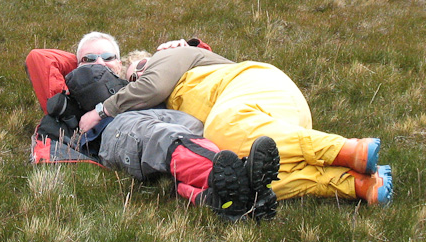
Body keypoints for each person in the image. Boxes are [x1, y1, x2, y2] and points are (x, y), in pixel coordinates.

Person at [78, 41, 393, 206]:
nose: (137, 83)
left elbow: (153, 87)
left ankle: (346, 148)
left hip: (257, 88)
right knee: (251, 181)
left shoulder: (167, 58)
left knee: (223, 129)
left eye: (139, 71)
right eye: (131, 80)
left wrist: (103, 110)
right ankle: (355, 183)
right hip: (277, 121)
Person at [25, 32, 281, 222]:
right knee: (161, 138)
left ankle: (229, 201)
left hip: (168, 116)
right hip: (120, 129)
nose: (99, 62)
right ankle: (234, 178)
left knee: (189, 130)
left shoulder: (137, 82)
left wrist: (185, 48)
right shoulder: (70, 93)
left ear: (122, 63)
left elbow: (192, 66)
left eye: (108, 57)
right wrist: (84, 66)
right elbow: (39, 58)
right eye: (89, 58)